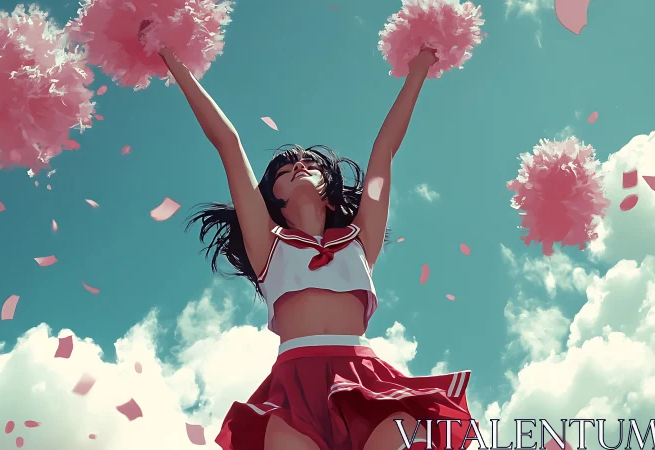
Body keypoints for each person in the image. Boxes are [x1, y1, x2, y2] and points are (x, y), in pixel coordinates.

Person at [146, 23, 475, 450]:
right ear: (274, 198)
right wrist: (170, 56)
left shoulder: (360, 239)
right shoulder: (268, 245)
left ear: (330, 188)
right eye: (284, 172)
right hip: (292, 387)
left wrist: (420, 66)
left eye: (310, 166)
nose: (299, 168)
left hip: (364, 377)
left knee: (398, 431)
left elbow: (385, 150)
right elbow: (228, 142)